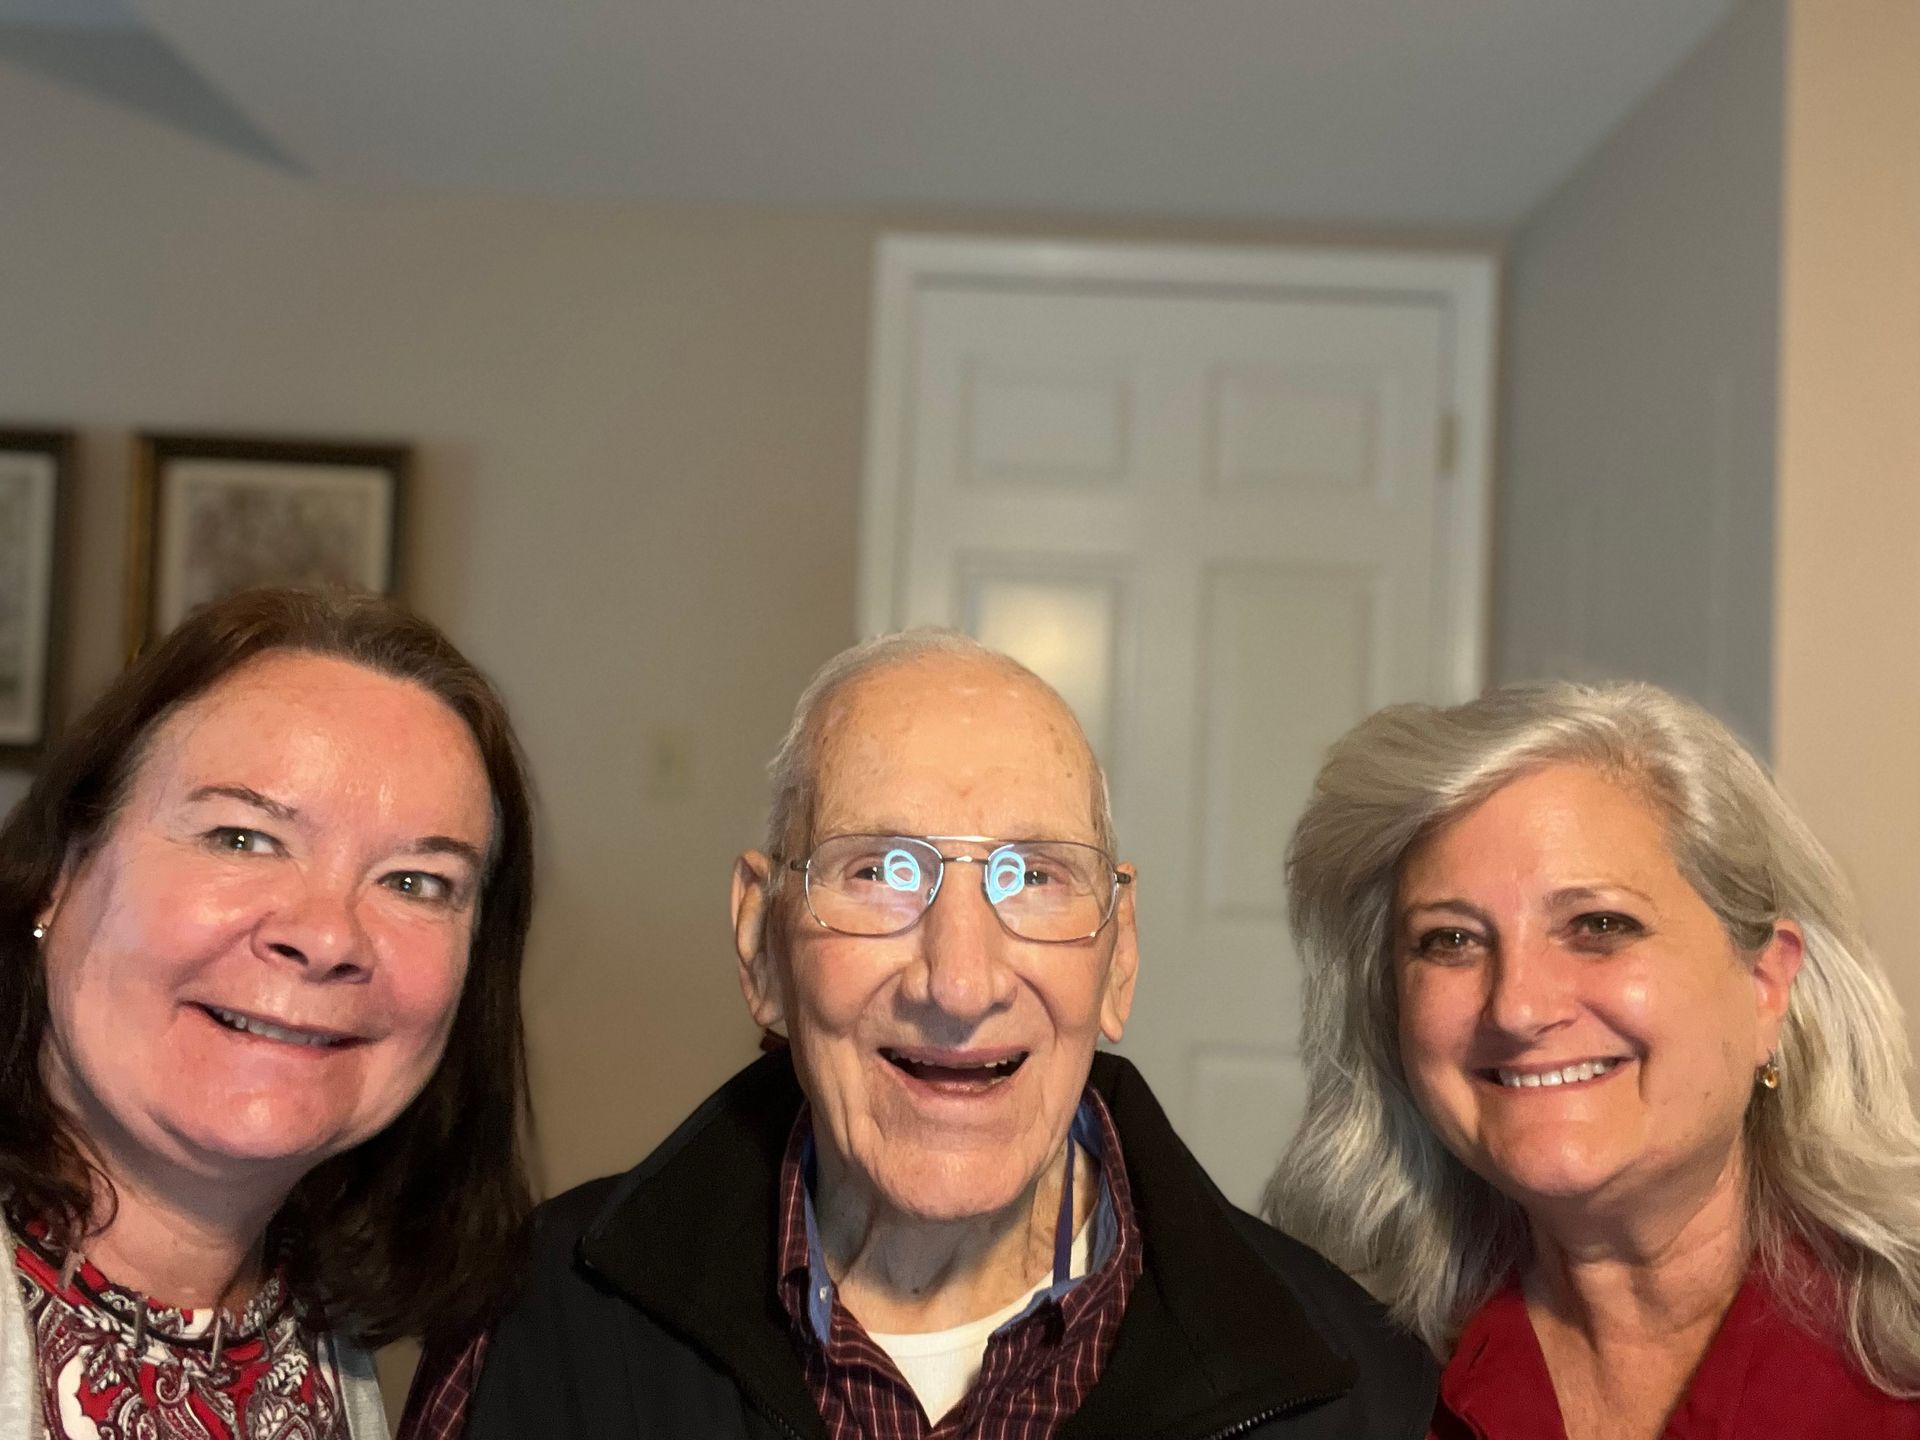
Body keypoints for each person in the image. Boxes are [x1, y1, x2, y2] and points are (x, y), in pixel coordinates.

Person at [437, 629, 1433, 1439]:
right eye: (878, 872)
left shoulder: (1358, 1395)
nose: (959, 983)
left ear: (1118, 957)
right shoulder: (531, 1322)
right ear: (760, 946)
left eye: (1034, 877)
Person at [1265, 680, 1920, 1439]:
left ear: (1767, 984)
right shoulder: (1335, 1374)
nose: (1516, 1006)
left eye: (1597, 924)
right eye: (1450, 940)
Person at [0, 587, 536, 1440]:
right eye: (242, 838)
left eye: (415, 883)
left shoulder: (365, 1358)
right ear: (61, 876)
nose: (326, 936)